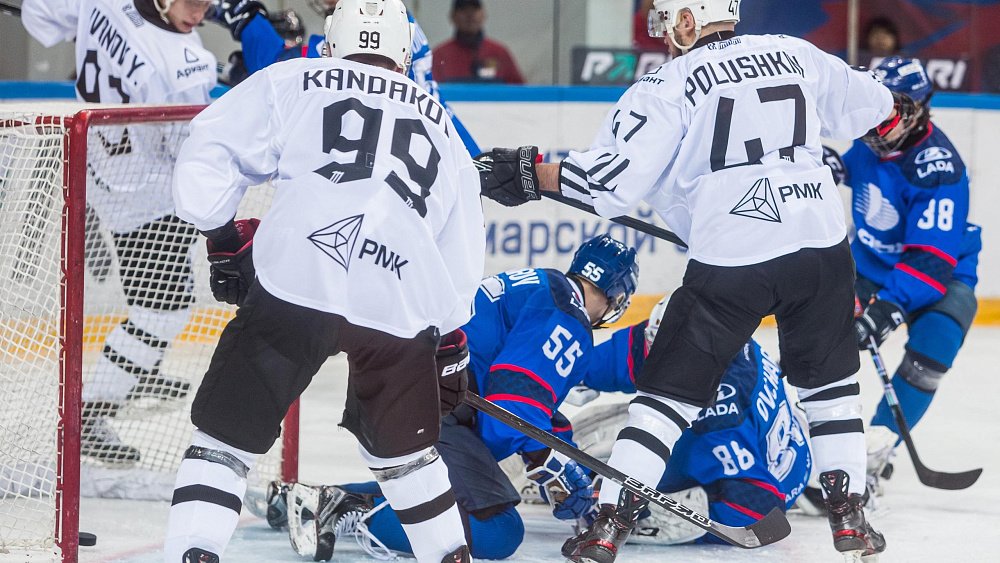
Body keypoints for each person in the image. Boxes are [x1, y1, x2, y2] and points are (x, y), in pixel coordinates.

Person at [472, 0, 916, 560]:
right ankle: (850, 518)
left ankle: (608, 523)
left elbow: (607, 184)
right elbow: (878, 105)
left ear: (687, 20)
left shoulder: (668, 84)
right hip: (822, 250)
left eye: (668, 20)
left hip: (733, 261)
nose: (665, 33)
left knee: (664, 401)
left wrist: (528, 172)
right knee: (830, 390)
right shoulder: (796, 52)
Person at [162, 1, 486, 561]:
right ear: (406, 56)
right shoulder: (442, 123)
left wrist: (222, 234)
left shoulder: (295, 77)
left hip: (298, 281)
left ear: (330, 45)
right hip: (398, 299)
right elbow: (459, 250)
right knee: (407, 459)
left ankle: (193, 551)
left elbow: (207, 150)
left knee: (224, 442)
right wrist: (451, 342)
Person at [260, 287, 813, 560]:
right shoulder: (699, 344)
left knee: (641, 481)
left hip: (759, 478)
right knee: (538, 476)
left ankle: (334, 500)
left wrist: (633, 512)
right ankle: (342, 507)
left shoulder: (724, 419)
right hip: (424, 403)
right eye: (652, 342)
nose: (650, 353)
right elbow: (585, 368)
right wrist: (550, 448)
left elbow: (756, 512)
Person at [258, 234, 639, 561]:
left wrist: (554, 451)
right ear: (616, 295)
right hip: (433, 400)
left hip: (399, 384)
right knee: (500, 530)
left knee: (456, 485)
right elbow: (511, 410)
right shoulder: (568, 317)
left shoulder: (542, 286)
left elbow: (520, 400)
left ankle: (313, 498)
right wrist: (546, 460)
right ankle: (352, 510)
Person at [21, 0, 219, 465]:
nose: (202, 12)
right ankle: (92, 414)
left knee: (163, 304)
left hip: (98, 174)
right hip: (150, 198)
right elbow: (189, 155)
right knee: (164, 313)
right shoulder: (189, 64)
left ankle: (141, 366)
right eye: (194, 2)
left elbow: (41, 16)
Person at [825, 57, 981, 491]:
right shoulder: (873, 137)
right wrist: (823, 165)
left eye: (890, 109)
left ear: (918, 109)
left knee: (932, 353)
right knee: (817, 343)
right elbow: (852, 168)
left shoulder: (937, 167)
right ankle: (798, 438)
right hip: (870, 266)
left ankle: (876, 449)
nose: (877, 120)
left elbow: (931, 260)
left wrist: (887, 310)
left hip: (941, 276)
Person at [209, 0, 481, 155]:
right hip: (428, 152)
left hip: (386, 162)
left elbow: (275, 65)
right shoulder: (396, 16)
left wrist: (248, 19)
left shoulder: (366, 22)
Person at [433, 0, 525, 84]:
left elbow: (520, 92)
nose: (469, 15)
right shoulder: (440, 55)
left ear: (483, 15)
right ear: (452, 17)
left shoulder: (499, 53)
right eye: (463, 10)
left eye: (474, 10)